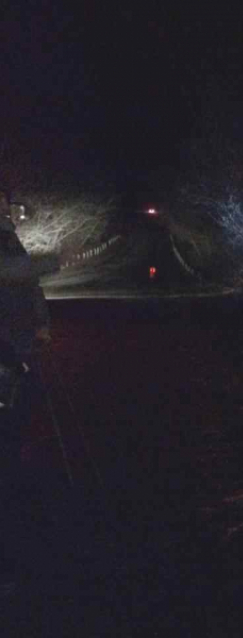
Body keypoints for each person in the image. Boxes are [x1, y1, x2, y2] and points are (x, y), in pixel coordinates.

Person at [0, 191, 53, 595]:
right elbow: (21, 277)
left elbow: (28, 286)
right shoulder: (8, 243)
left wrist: (39, 323)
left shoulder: (10, 238)